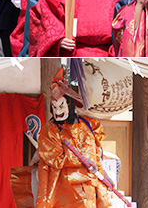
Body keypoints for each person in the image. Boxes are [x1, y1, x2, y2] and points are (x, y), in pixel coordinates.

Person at [36, 68, 112, 207]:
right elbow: (56, 159)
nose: (57, 111)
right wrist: (84, 161)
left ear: (70, 105)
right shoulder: (50, 129)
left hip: (89, 187)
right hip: (64, 189)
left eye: (61, 106)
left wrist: (105, 177)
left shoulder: (89, 125)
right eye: (54, 107)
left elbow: (97, 157)